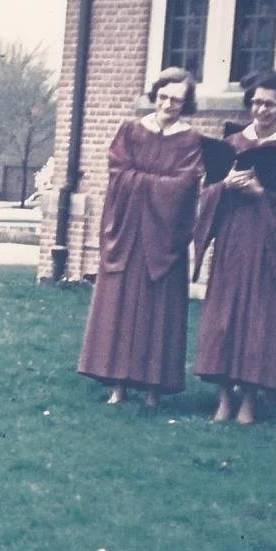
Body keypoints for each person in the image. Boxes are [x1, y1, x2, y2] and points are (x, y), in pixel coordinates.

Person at [77, 67, 202, 406]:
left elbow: (186, 183)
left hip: (165, 238)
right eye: (163, 96)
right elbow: (118, 172)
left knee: (158, 312)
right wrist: (156, 183)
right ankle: (117, 383)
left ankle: (153, 389)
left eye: (177, 100)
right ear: (154, 95)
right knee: (121, 307)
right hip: (130, 232)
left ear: (185, 103)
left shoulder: (190, 140)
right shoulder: (131, 131)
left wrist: (144, 181)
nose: (168, 104)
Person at [193, 69, 276, 424]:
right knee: (223, 318)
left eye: (269, 103)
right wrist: (224, 185)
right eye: (255, 102)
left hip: (269, 244)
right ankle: (225, 396)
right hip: (233, 242)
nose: (261, 109)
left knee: (260, 320)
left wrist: (262, 194)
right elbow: (206, 195)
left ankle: (250, 399)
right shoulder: (234, 143)